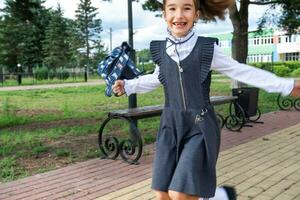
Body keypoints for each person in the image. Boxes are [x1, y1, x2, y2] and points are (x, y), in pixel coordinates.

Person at [112, 0, 300, 199]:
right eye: (172, 8)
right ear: (164, 14)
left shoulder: (206, 48)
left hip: (199, 126)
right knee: (162, 193)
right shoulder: (161, 49)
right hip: (170, 126)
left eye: (186, 8)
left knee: (180, 193)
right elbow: (157, 77)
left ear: (196, 15)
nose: (179, 15)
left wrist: (286, 85)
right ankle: (220, 197)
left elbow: (240, 71)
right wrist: (128, 85)